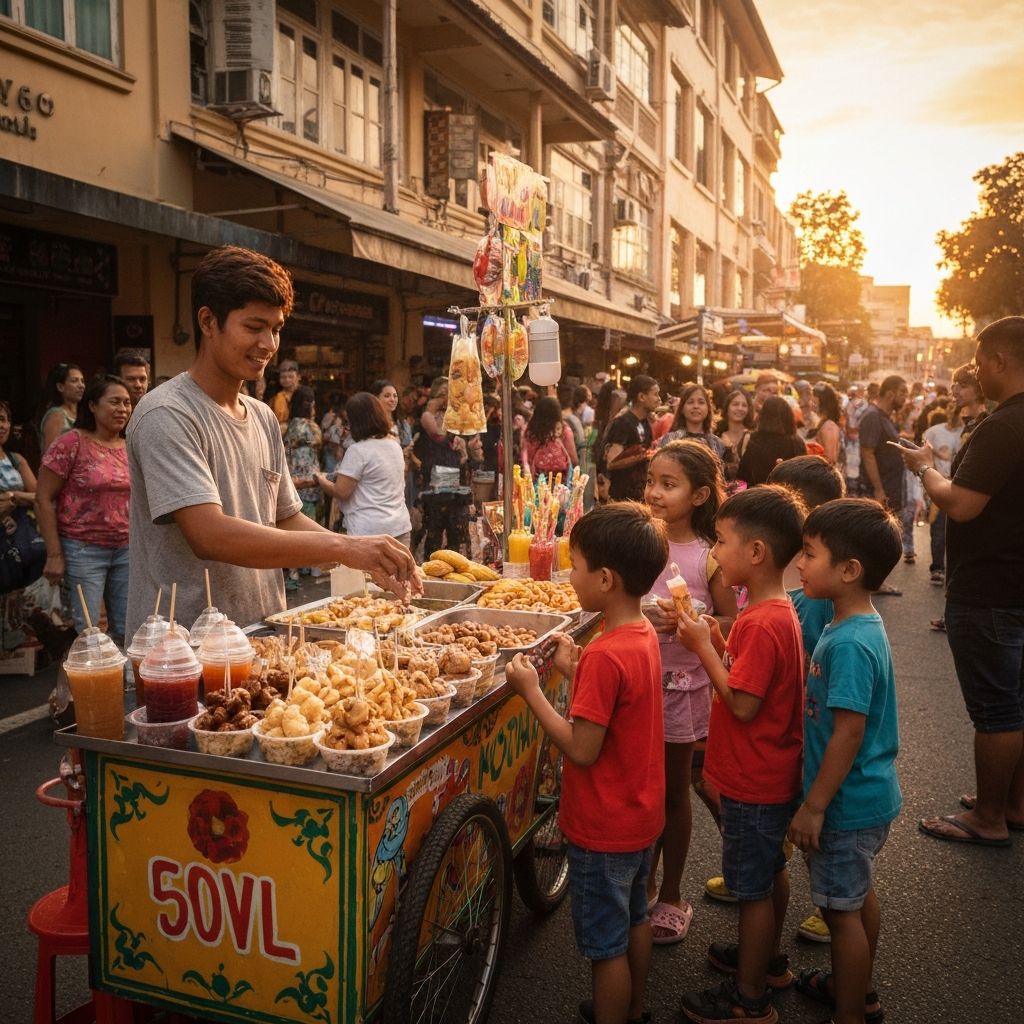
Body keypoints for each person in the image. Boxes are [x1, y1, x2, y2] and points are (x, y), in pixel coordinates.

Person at [124, 245, 416, 642]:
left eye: (276, 329)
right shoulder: (167, 413)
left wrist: (362, 553)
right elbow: (209, 535)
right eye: (254, 327)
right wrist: (345, 548)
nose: (269, 343)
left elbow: (284, 516)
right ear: (208, 321)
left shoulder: (262, 416)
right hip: (183, 651)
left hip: (262, 635)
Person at [504, 502, 668, 1024]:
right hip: (641, 816)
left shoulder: (604, 653)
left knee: (605, 948)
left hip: (604, 827)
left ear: (605, 578)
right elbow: (619, 711)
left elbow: (581, 747)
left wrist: (532, 691)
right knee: (635, 918)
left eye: (573, 566)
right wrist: (576, 673)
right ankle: (634, 1009)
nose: (569, 576)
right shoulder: (641, 634)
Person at [676, 485, 806, 1024]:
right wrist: (717, 639)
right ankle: (766, 961)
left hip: (754, 779)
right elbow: (754, 677)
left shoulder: (760, 621)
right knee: (769, 872)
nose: (714, 553)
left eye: (722, 542)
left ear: (755, 552)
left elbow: (743, 703)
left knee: (751, 891)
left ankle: (749, 997)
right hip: (772, 772)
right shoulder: (772, 611)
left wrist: (702, 649)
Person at [898, 316, 1024, 846]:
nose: (975, 371)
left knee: (996, 709)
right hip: (1013, 582)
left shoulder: (1003, 425)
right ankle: (1012, 803)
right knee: (1014, 701)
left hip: (990, 586)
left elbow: (962, 504)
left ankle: (989, 817)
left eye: (978, 362)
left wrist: (924, 466)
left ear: (999, 360)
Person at [789, 498, 903, 1024]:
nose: (801, 562)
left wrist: (814, 806)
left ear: (850, 569)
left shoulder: (851, 643)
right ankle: (854, 990)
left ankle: (850, 1012)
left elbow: (848, 732)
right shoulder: (852, 624)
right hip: (861, 797)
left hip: (844, 804)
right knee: (856, 899)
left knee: (840, 913)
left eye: (810, 553)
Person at [643, 441, 737, 944]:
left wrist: (694, 620)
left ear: (700, 495)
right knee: (641, 788)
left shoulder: (708, 557)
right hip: (635, 680)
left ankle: (673, 893)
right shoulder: (641, 540)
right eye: (651, 481)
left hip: (681, 687)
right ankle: (644, 881)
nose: (654, 493)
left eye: (668, 484)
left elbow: (732, 621)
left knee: (673, 791)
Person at [35, 375, 132, 642]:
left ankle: (123, 672)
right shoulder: (71, 443)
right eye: (114, 402)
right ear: (92, 405)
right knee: (90, 631)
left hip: (127, 549)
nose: (122, 409)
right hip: (83, 550)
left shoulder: (131, 446)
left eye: (127, 403)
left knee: (127, 629)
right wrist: (54, 554)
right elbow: (43, 498)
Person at [316, 393, 411, 549]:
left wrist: (321, 479)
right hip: (400, 528)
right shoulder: (394, 445)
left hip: (368, 532)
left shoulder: (358, 450)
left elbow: (341, 491)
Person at [858, 375, 909, 583]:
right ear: (890, 394)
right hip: (879, 490)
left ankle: (877, 581)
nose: (906, 397)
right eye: (903, 392)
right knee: (875, 538)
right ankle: (873, 582)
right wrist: (878, 489)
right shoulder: (873, 416)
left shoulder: (885, 416)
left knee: (880, 539)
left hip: (889, 487)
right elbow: (867, 453)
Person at [0, 400, 45, 594]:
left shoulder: (16, 459)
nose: (2, 425)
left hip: (21, 535)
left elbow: (39, 496)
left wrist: (14, 496)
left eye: (5, 420)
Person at [921, 405, 963, 587]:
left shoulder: (967, 432)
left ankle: (956, 572)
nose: (953, 412)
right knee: (938, 530)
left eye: (957, 409)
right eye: (951, 408)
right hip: (940, 485)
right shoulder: (933, 432)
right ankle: (937, 568)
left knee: (959, 532)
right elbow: (924, 454)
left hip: (961, 487)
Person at [604, 375, 660, 502]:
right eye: (655, 394)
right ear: (641, 397)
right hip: (622, 498)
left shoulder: (645, 422)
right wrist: (642, 456)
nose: (659, 399)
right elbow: (611, 463)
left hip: (640, 496)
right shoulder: (622, 423)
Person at [736, 396, 806, 486]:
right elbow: (803, 475)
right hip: (787, 492)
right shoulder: (797, 442)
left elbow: (743, 474)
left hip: (755, 492)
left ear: (763, 415)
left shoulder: (752, 439)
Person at [658, 383, 727, 460]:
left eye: (701, 402)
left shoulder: (717, 444)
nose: (696, 406)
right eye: (690, 402)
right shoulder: (670, 440)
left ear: (708, 408)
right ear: (682, 409)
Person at [523, 395, 577, 476]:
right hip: (560, 479)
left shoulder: (530, 431)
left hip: (535, 478)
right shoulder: (564, 430)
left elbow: (527, 456)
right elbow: (573, 459)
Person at [39, 363, 86, 454]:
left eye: (82, 381)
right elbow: (49, 455)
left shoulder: (82, 414)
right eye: (74, 381)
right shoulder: (56, 415)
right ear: (60, 387)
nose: (81, 386)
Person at [715, 389, 753, 483]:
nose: (740, 408)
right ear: (727, 408)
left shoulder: (752, 437)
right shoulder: (716, 435)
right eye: (735, 404)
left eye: (744, 405)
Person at [806, 383, 844, 466]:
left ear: (822, 402)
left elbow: (830, 460)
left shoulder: (829, 427)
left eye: (814, 401)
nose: (811, 404)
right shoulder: (821, 422)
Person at [842, 384, 869, 494]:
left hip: (856, 438)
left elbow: (862, 420)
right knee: (852, 462)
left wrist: (852, 430)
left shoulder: (863, 404)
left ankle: (854, 487)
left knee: (854, 462)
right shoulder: (850, 404)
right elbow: (847, 419)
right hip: (852, 438)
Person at [270, 359, 300, 433]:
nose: (287, 380)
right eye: (283, 377)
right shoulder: (278, 397)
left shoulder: (304, 393)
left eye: (291, 377)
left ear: (298, 377)